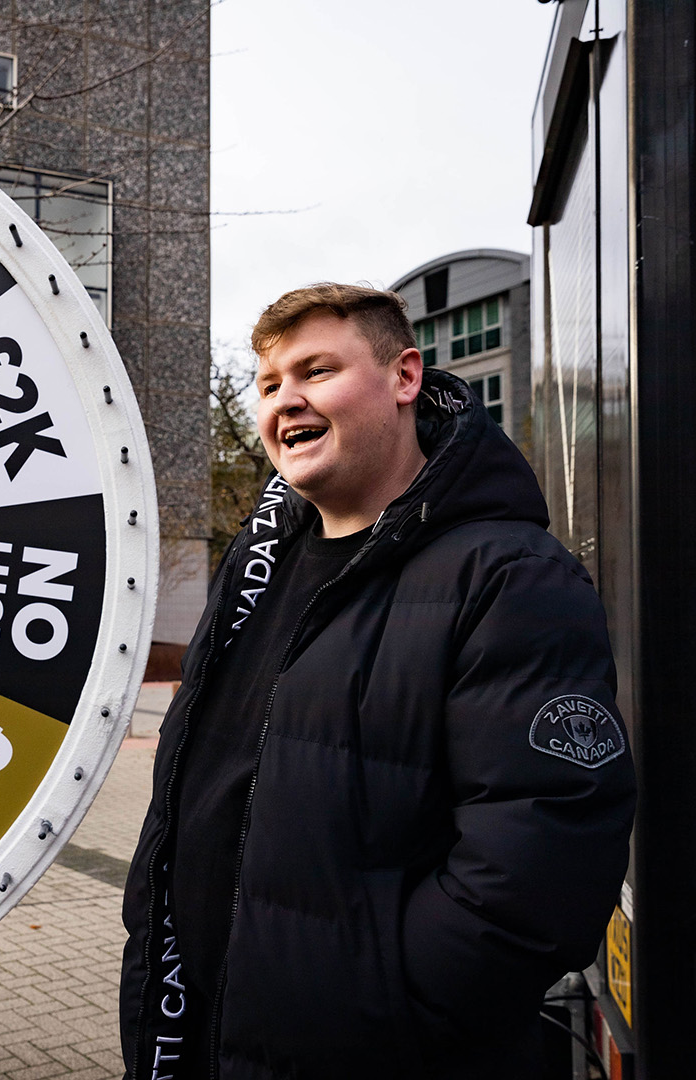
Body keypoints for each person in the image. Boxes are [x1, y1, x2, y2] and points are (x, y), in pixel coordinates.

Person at [119, 283, 636, 1079]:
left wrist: (383, 1012)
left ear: (405, 379)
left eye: (316, 371)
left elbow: (538, 876)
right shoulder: (254, 574)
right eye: (268, 385)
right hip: (202, 1043)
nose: (285, 400)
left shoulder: (511, 579)